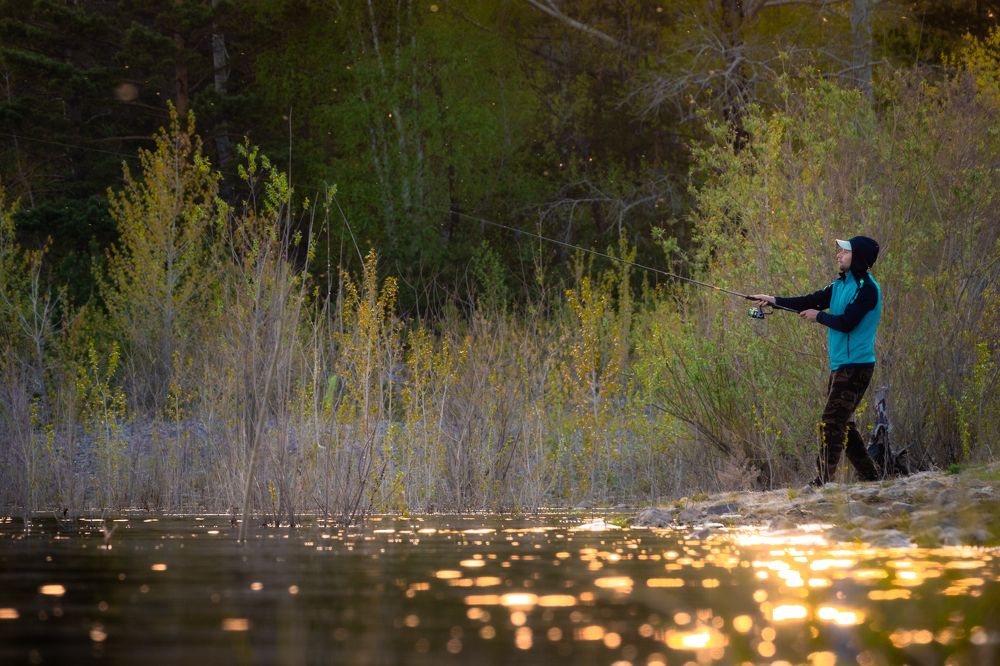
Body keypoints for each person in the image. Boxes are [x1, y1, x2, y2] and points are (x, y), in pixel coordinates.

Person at [751, 236, 882, 486]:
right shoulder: (839, 284)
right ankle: (871, 477)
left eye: (845, 251)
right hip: (840, 365)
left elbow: (846, 322)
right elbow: (809, 300)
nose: (838, 255)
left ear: (859, 257)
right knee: (841, 422)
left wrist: (819, 317)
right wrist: (773, 301)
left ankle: (822, 482)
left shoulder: (867, 289)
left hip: (857, 366)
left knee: (831, 422)